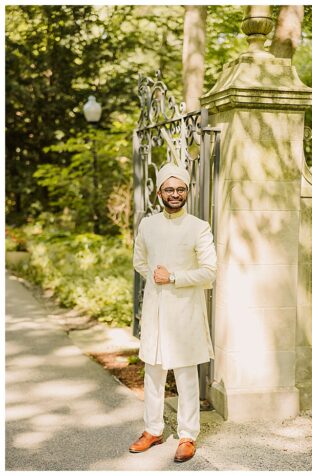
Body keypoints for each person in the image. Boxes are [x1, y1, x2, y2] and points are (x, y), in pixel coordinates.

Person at [129, 163, 216, 463]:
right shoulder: (148, 225)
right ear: (159, 192)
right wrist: (156, 277)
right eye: (169, 189)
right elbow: (139, 260)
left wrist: (174, 278)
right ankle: (152, 430)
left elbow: (209, 272)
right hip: (155, 308)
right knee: (153, 372)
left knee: (186, 375)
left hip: (185, 311)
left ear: (187, 191)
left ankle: (187, 436)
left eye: (180, 189)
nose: (175, 194)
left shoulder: (198, 226)